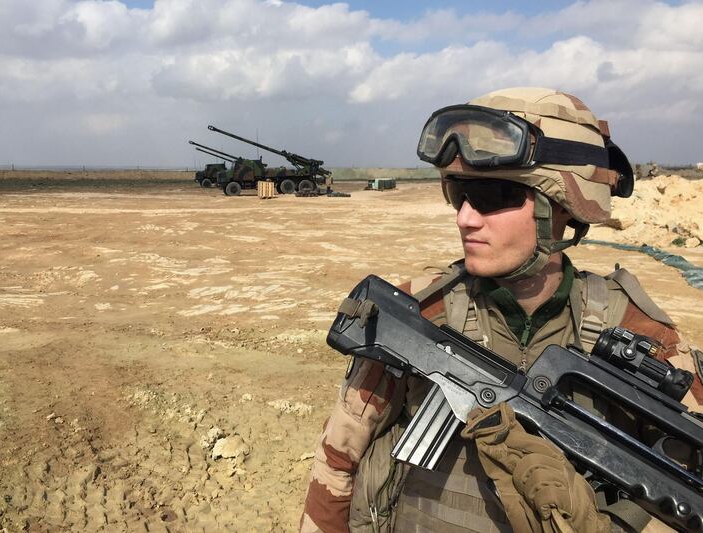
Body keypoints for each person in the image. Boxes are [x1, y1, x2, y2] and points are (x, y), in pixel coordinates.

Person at [300, 87, 703, 533]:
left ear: (563, 206)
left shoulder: (642, 334)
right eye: (458, 192)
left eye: (491, 195)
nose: (465, 218)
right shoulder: (419, 310)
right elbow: (338, 460)